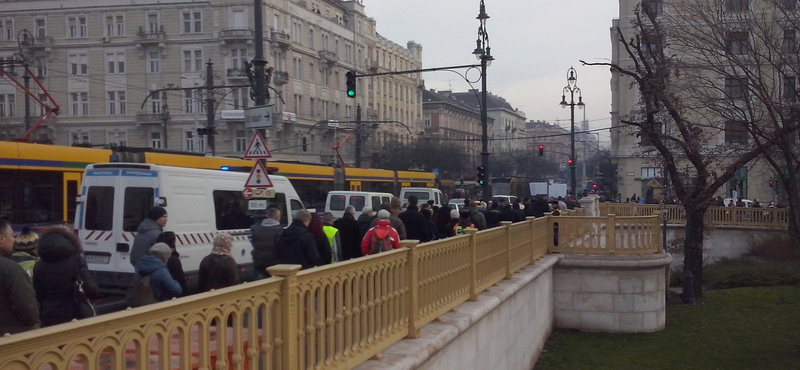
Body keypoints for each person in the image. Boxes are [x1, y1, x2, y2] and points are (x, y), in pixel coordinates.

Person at [33, 226, 102, 327]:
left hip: (49, 315)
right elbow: (89, 287)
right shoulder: (76, 260)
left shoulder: (39, 266)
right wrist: (98, 295)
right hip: (75, 313)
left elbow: (39, 295)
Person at [0, 219, 39, 335]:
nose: (14, 239)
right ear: (1, 238)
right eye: (12, 235)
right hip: (11, 337)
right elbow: (26, 308)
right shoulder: (10, 269)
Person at [251, 207, 284, 278]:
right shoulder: (279, 230)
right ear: (277, 217)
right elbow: (281, 248)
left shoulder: (256, 228)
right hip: (273, 264)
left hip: (258, 263)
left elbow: (254, 243)